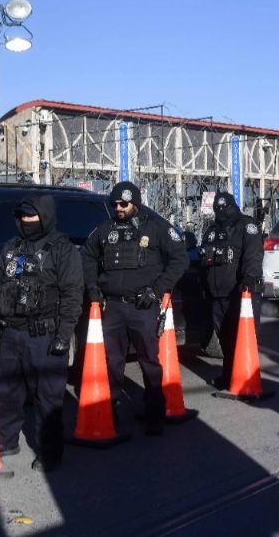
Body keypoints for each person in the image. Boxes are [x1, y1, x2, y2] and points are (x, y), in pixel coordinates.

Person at [0, 195, 83, 472]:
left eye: (32, 216)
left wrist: (64, 335)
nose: (27, 222)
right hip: (12, 333)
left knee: (48, 396)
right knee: (7, 392)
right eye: (23, 217)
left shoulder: (62, 250)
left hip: (45, 335)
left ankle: (50, 453)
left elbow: (73, 294)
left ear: (45, 216)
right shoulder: (12, 248)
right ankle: (6, 440)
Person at [81, 181, 188, 436]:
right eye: (115, 204)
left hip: (143, 305)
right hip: (113, 307)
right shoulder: (106, 229)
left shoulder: (156, 227)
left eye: (124, 204)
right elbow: (87, 255)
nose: (118, 208)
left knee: (149, 362)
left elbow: (180, 258)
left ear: (135, 203)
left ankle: (154, 414)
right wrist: (93, 286)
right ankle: (110, 412)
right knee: (112, 362)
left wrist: (157, 289)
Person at [198, 192, 264, 388]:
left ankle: (245, 377)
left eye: (224, 208)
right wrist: (204, 285)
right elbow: (204, 260)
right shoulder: (211, 230)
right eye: (217, 208)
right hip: (217, 294)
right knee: (225, 338)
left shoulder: (246, 226)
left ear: (232, 206)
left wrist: (249, 278)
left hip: (240, 293)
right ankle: (229, 375)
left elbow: (253, 254)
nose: (221, 211)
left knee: (242, 337)